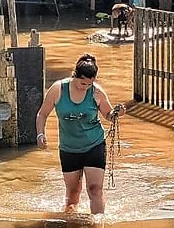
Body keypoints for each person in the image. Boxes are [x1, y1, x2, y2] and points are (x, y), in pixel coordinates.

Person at [36, 54, 126, 215]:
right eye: (82, 83)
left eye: (89, 84)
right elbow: (42, 114)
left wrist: (117, 113)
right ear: (75, 76)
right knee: (72, 193)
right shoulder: (58, 89)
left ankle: (97, 226)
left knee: (95, 189)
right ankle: (71, 225)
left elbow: (108, 115)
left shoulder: (97, 92)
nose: (85, 86)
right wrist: (40, 134)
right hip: (69, 148)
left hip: (94, 145)